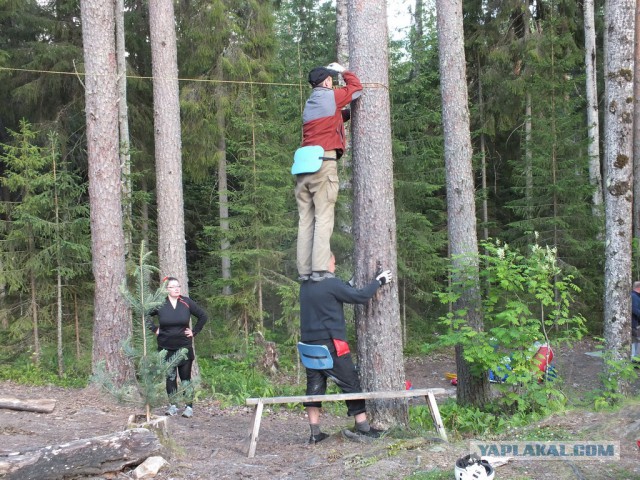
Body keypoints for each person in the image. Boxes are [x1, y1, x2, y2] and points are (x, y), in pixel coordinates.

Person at [299, 253, 393, 444]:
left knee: (314, 389)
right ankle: (363, 428)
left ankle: (315, 434)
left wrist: (347, 285)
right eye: (334, 261)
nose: (335, 265)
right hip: (331, 346)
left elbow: (327, 299)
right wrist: (378, 281)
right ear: (325, 263)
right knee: (351, 383)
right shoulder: (331, 284)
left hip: (309, 348)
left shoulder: (306, 286)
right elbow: (360, 297)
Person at [295, 62, 363, 282]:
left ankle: (305, 271)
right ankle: (321, 270)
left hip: (303, 168)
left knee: (306, 220)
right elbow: (356, 89)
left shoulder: (310, 104)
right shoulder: (330, 96)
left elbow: (332, 119)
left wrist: (346, 115)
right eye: (331, 80)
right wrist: (344, 71)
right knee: (324, 216)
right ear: (326, 82)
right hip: (323, 163)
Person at [147, 276, 208, 418]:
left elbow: (203, 316)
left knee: (185, 377)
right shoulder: (160, 303)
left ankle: (189, 407)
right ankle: (173, 406)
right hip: (165, 347)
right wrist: (154, 329)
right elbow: (144, 313)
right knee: (170, 377)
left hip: (184, 347)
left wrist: (194, 332)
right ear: (166, 289)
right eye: (173, 287)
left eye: (178, 286)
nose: (176, 289)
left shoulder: (186, 302)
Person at [632, 281, 640, 359]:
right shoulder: (634, 296)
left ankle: (635, 358)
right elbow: (634, 309)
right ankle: (633, 359)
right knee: (635, 341)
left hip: (636, 323)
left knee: (637, 341)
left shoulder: (637, 296)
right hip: (634, 323)